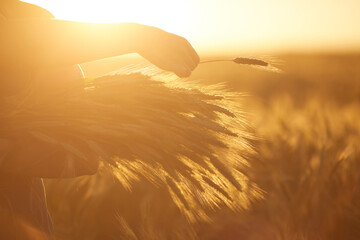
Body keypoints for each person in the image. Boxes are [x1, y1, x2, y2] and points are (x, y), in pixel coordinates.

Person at [0, 1, 199, 239]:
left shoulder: (28, 15)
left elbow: (84, 157)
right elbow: (12, 42)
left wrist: (17, 152)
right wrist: (136, 35)